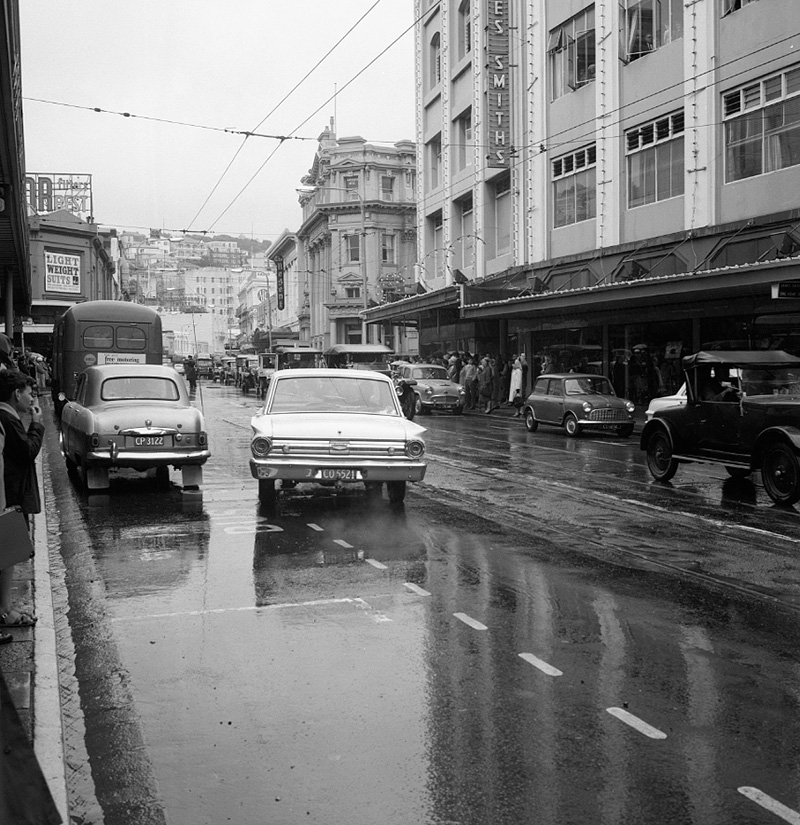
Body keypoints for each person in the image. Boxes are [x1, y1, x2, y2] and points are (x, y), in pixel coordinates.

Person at [0, 340, 39, 633]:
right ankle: (5, 610)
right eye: (29, 393)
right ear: (16, 394)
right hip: (8, 495)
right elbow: (26, 451)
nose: (31, 398)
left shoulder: (8, 418)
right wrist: (37, 424)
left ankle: (6, 608)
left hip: (8, 494)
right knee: (8, 552)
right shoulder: (7, 420)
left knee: (9, 553)